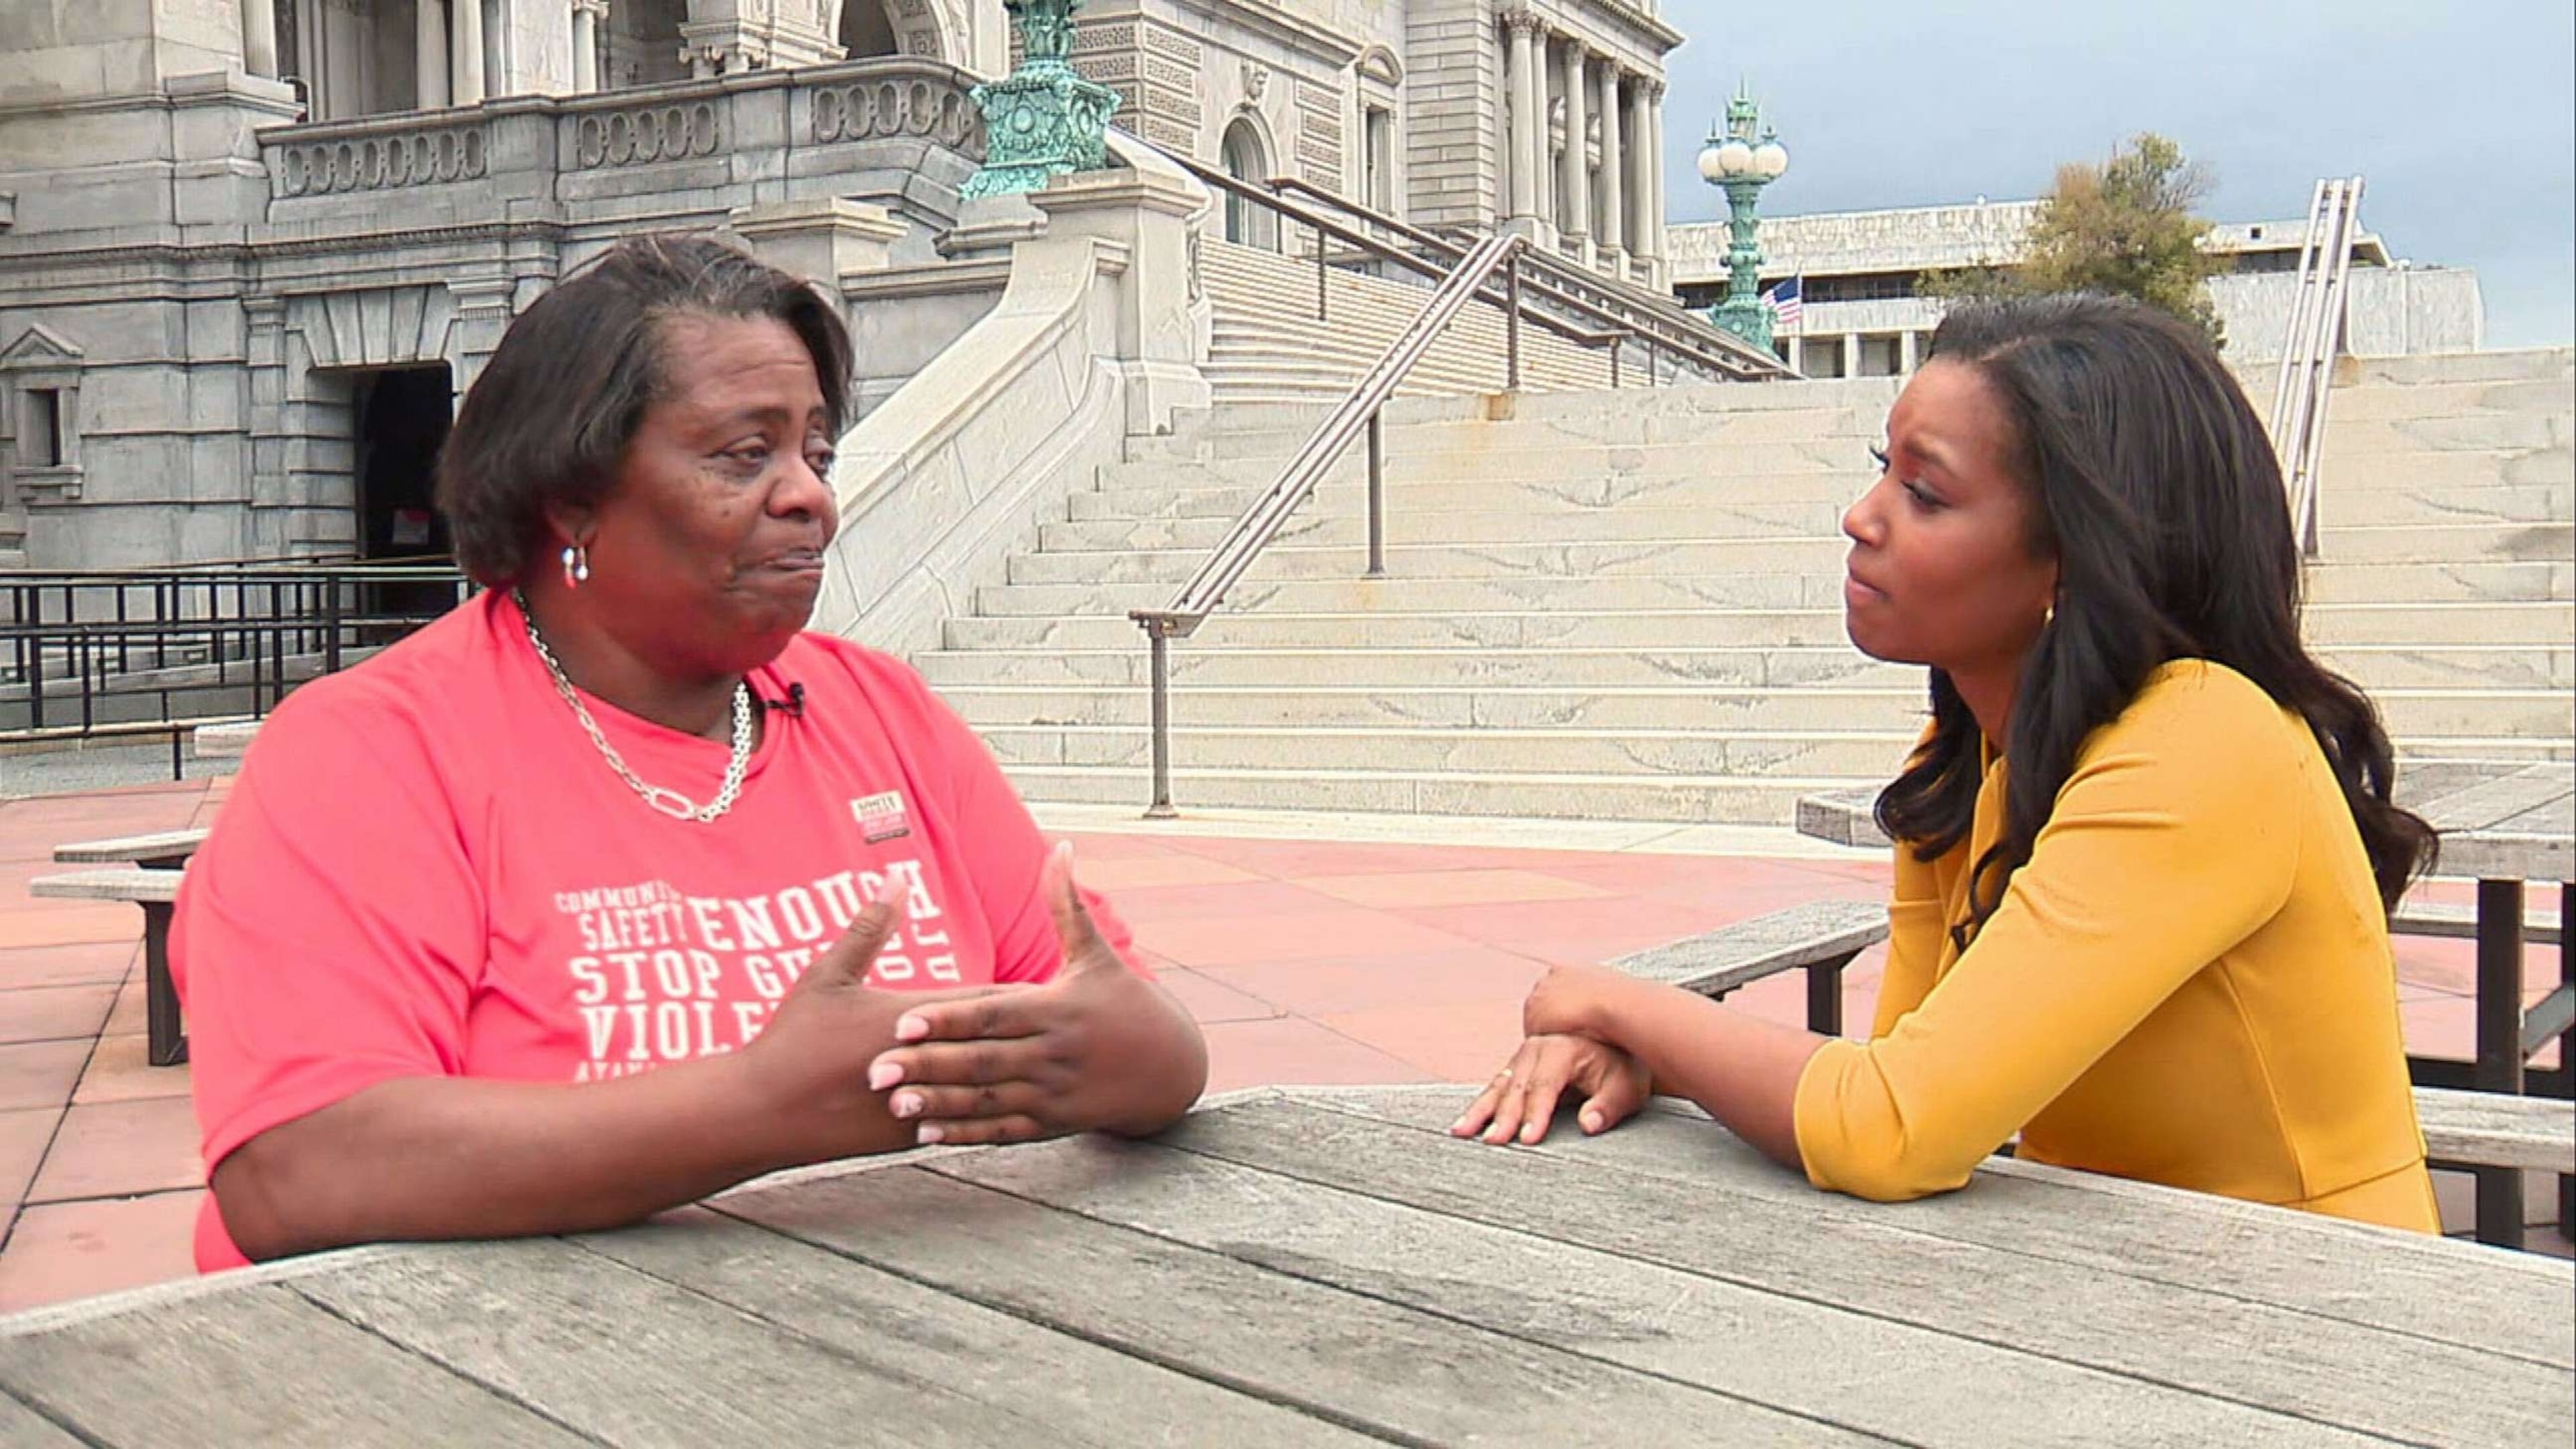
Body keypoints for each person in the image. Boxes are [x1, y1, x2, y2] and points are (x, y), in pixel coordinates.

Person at [174, 235, 1208, 1269]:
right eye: (743, 454)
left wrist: (1139, 1056)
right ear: (570, 495)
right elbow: (296, 1167)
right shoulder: (369, 754)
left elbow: (1135, 1038)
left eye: (817, 452)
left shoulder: (883, 711)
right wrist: (759, 1108)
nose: (809, 495)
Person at [1455, 294, 2442, 1232]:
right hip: (2115, 1289)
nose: (1862, 516)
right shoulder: (1970, 754)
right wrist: (1652, 1056)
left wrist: (1609, 1000)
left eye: (1923, 493)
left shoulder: (2205, 741)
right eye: (1884, 467)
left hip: (2334, 1319)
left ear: (2072, 558)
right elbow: (1909, 1074)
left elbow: (1894, 1128)